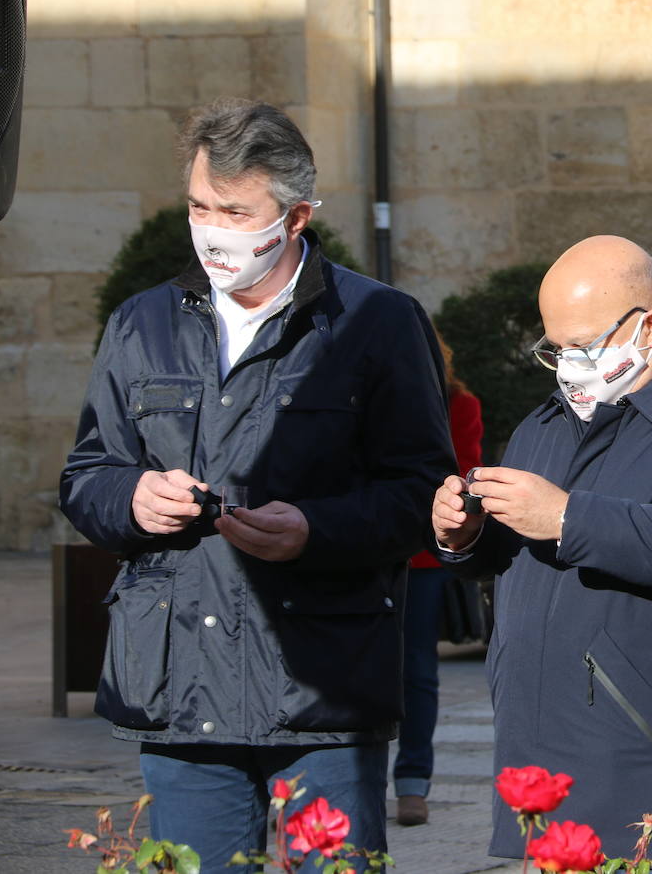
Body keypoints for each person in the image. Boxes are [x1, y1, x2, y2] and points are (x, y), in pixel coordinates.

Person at [59, 99, 454, 869]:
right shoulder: (143, 322)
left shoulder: (377, 322)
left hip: (320, 691)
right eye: (199, 206)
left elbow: (423, 496)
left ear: (297, 215)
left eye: (236, 212)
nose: (213, 229)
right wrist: (130, 500)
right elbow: (87, 476)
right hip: (181, 694)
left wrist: (317, 528)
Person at [431, 235, 652, 874]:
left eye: (584, 346)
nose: (569, 366)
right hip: (546, 756)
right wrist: (465, 535)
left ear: (649, 327)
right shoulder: (545, 422)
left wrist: (565, 516)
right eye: (555, 349)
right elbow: (519, 548)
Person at [395, 327, 484, 827]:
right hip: (358, 548)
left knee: (417, 672)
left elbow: (465, 470)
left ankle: (412, 782)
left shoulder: (458, 404)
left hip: (421, 557)